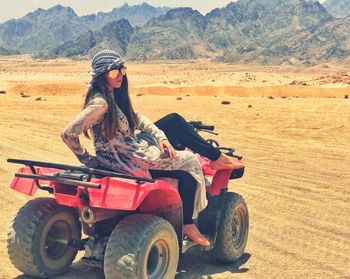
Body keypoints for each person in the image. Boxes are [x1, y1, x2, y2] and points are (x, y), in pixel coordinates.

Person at [61, 49, 244, 247]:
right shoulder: (101, 104)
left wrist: (161, 138)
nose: (121, 75)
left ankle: (215, 158)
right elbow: (68, 133)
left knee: (173, 121)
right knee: (190, 163)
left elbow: (138, 117)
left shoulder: (113, 97)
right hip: (131, 161)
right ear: (101, 76)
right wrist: (89, 160)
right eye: (114, 72)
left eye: (122, 70)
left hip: (129, 150)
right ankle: (188, 223)